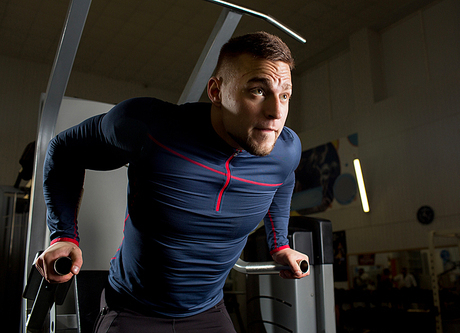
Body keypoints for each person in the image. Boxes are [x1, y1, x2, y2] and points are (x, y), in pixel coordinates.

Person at [35, 31, 309, 332]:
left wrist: (279, 244)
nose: (276, 112)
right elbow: (64, 151)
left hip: (209, 311)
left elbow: (283, 180)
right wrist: (63, 236)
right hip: (131, 310)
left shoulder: (284, 150)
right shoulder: (150, 128)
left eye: (284, 95)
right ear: (216, 92)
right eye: (258, 91)